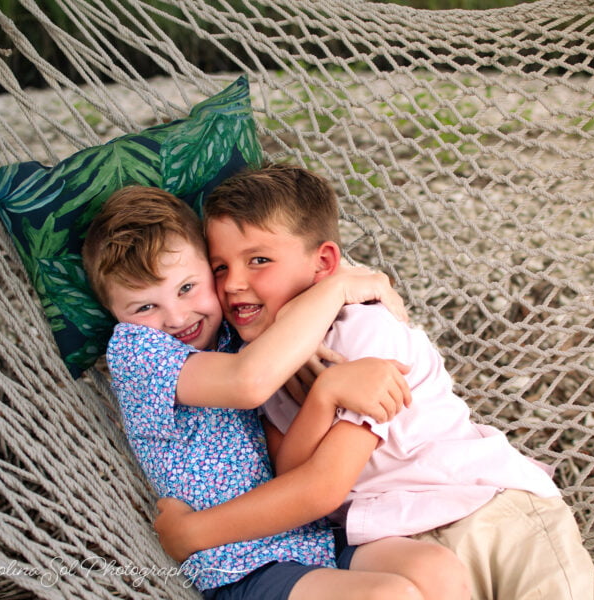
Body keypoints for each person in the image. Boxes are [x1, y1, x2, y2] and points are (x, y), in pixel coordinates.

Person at [153, 164, 594, 600]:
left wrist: (195, 531)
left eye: (258, 260)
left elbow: (321, 486)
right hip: (393, 541)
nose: (234, 284)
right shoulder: (262, 364)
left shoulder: (362, 331)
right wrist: (322, 394)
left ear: (325, 264)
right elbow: (289, 474)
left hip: (488, 512)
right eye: (219, 268)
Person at [81, 186, 470, 600]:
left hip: (311, 536)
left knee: (436, 569)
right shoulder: (136, 352)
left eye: (187, 288)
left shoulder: (238, 336)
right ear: (116, 316)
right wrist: (337, 289)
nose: (176, 317)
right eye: (144, 308)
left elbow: (289, 466)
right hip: (233, 561)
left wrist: (324, 394)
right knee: (388, 597)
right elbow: (246, 383)